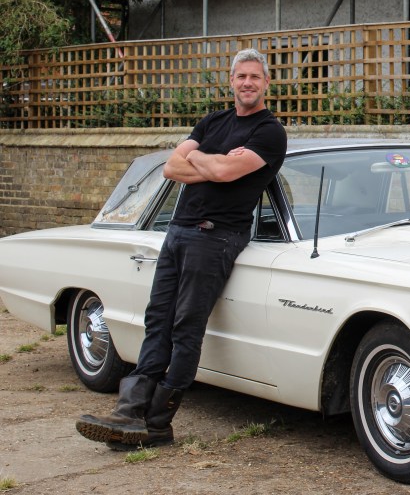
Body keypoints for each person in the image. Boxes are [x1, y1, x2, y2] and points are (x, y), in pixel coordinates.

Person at [76, 48, 287, 450]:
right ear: (231, 81)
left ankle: (158, 423)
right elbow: (172, 168)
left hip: (217, 237)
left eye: (255, 77)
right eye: (241, 76)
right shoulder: (213, 121)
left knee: (185, 329)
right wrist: (216, 161)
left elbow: (223, 172)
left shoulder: (270, 131)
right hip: (178, 232)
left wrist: (204, 160)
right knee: (157, 322)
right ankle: (129, 413)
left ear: (266, 83)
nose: (247, 83)